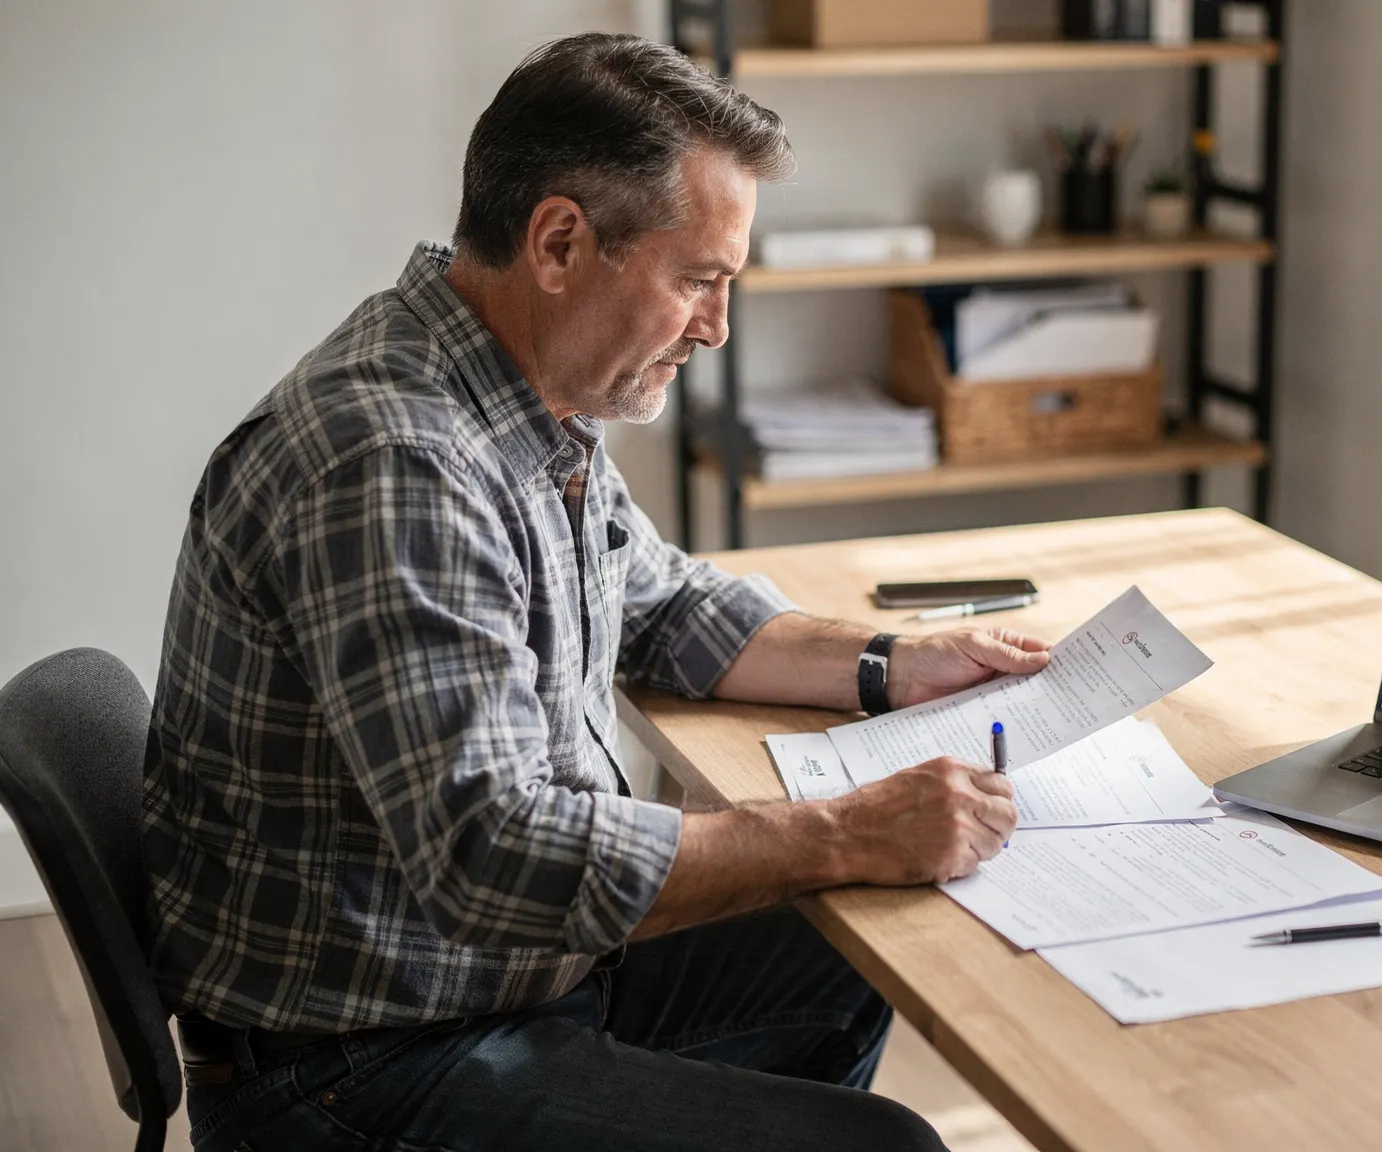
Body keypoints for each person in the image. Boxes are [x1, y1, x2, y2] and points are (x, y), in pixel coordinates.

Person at [143, 32, 1042, 1151]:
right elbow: (497, 855)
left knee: (843, 944)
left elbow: (657, 604)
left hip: (473, 982)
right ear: (561, 241)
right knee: (887, 1142)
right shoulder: (395, 461)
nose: (715, 326)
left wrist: (890, 666)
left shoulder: (523, 392)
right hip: (360, 1066)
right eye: (697, 279)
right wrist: (841, 831)